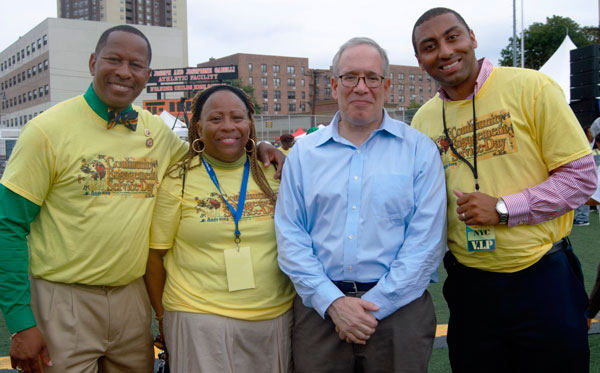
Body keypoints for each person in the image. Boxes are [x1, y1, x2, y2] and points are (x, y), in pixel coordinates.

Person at [0, 26, 283, 373]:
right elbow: (8, 227)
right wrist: (19, 321)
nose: (124, 72)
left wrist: (259, 147)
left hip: (132, 300)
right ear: (92, 62)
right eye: (114, 60)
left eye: (136, 65)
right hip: (65, 298)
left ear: (147, 75)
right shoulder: (47, 130)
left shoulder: (155, 131)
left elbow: (209, 154)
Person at [410, 8, 598, 372]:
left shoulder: (532, 87)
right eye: (430, 46)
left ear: (473, 38)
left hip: (543, 278)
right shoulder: (423, 119)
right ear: (420, 60)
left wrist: (504, 208)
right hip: (469, 286)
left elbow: (580, 177)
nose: (445, 52)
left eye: (453, 37)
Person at [275, 37, 447, 372]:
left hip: (401, 312)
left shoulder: (418, 151)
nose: (361, 87)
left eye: (371, 77)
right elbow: (290, 236)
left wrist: (373, 306)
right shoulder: (304, 155)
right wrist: (334, 303)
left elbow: (426, 243)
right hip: (320, 313)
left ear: (386, 85)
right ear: (335, 84)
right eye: (351, 77)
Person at [144, 85, 295, 373]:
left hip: (273, 317)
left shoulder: (273, 170)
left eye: (237, 117)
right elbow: (154, 256)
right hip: (199, 318)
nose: (228, 126)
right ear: (198, 127)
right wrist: (163, 318)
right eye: (215, 119)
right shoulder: (179, 177)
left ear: (250, 123)